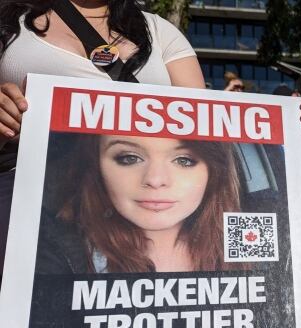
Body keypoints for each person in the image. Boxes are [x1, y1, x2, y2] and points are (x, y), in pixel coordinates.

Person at [0, 0, 206, 275]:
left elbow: (204, 130)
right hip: (23, 202)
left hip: (118, 216)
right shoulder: (10, 22)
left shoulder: (159, 31)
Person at [38, 133, 239, 273]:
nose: (155, 179)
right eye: (129, 158)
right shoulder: (56, 250)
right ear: (96, 164)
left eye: (184, 160)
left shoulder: (250, 244)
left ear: (214, 172)